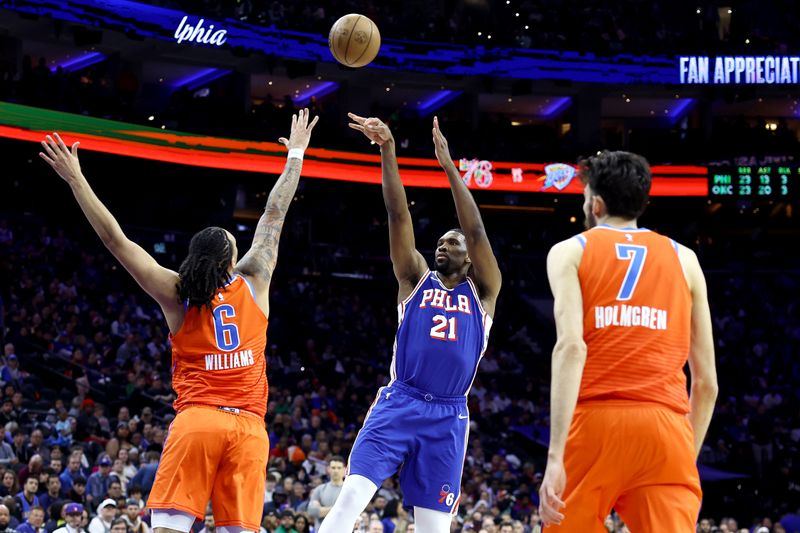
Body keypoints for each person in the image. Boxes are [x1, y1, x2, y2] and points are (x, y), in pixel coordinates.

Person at [40, 110, 319, 533]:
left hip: (199, 420)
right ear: (231, 259)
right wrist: (296, 152)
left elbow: (116, 240)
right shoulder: (256, 278)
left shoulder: (177, 294)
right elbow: (274, 213)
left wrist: (76, 179)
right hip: (249, 429)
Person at [318, 115, 501, 533]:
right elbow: (397, 214)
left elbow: (474, 227)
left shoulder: (484, 292)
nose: (442, 245)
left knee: (434, 530)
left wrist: (448, 166)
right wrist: (387, 150)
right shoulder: (414, 279)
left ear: (469, 256)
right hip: (399, 403)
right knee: (349, 502)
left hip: (449, 416)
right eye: (439, 242)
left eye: (451, 243)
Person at [538, 151, 718, 530]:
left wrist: (555, 457)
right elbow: (706, 384)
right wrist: (684, 453)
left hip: (595, 423)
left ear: (596, 204)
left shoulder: (569, 251)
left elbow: (571, 347)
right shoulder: (686, 260)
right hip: (666, 428)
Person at [307, 456, 346, 530]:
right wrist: (338, 509)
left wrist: (322, 510)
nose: (336, 471)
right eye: (333, 468)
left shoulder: (348, 491)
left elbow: (348, 513)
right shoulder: (319, 489)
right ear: (328, 469)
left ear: (344, 470)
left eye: (339, 468)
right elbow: (312, 511)